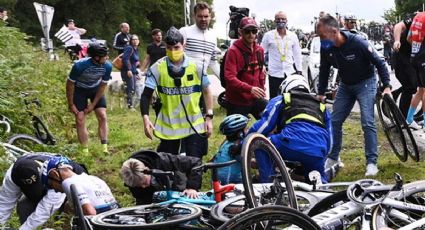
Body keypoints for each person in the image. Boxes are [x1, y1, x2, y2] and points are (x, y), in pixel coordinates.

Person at [316, 15, 391, 177]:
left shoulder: (358, 43)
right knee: (335, 120)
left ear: (334, 31)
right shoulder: (326, 47)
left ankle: (371, 163)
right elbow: (324, 69)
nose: (321, 40)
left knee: (367, 122)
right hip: (346, 85)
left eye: (322, 36)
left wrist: (387, 86)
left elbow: (380, 63)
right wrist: (321, 93)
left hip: (366, 82)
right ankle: (334, 157)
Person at [140, 26, 213, 159]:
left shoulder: (197, 66)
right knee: (167, 167)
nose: (173, 51)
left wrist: (209, 117)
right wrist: (145, 118)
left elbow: (207, 91)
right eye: (169, 48)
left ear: (183, 45)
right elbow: (146, 95)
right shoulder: (157, 68)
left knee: (194, 167)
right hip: (169, 128)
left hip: (194, 125)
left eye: (176, 47)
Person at [248, 75, 332, 183]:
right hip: (317, 150)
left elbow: (263, 126)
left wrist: (244, 142)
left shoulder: (282, 99)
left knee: (260, 144)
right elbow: (330, 141)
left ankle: (267, 184)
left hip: (289, 142)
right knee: (317, 183)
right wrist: (321, 154)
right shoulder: (322, 107)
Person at [0, 153, 87, 229]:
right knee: (24, 205)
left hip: (71, 189)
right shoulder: (12, 176)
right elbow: (4, 204)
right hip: (47, 187)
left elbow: (45, 209)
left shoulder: (53, 174)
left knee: (68, 213)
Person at [66, 43, 112, 154]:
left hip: (95, 89)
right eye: (105, 56)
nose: (107, 58)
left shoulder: (107, 66)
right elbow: (70, 85)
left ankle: (104, 147)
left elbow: (102, 86)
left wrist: (93, 104)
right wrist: (71, 104)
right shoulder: (79, 66)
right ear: (96, 57)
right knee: (80, 118)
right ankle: (85, 151)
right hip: (79, 90)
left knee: (102, 115)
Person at [41, 156, 118, 215]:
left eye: (51, 185)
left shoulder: (68, 182)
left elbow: (90, 213)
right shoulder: (94, 178)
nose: (55, 190)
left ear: (55, 174)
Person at [120, 150, 202, 205]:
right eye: (138, 186)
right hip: (156, 199)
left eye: (144, 183)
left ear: (147, 170)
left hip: (179, 190)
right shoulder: (131, 178)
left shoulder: (163, 160)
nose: (143, 186)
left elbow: (195, 162)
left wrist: (191, 187)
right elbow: (142, 200)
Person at [224, 17, 266, 120]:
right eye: (247, 31)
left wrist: (261, 88)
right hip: (237, 101)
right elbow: (229, 78)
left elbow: (260, 72)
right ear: (240, 32)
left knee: (272, 124)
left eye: (254, 31)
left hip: (255, 98)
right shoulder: (233, 51)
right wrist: (250, 89)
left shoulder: (260, 50)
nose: (251, 34)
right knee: (235, 134)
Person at [261, 11, 303, 98]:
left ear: (286, 20)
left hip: (289, 73)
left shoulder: (293, 36)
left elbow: (297, 55)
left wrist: (299, 70)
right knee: (275, 99)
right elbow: (261, 52)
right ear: (274, 21)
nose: (281, 21)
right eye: (278, 19)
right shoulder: (268, 35)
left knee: (290, 99)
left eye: (283, 19)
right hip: (274, 74)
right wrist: (262, 66)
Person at [179, 2, 220, 78]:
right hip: (185, 80)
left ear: (210, 16)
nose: (203, 19)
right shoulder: (184, 31)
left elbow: (213, 62)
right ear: (194, 16)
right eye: (200, 16)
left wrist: (225, 80)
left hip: (202, 81)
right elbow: (175, 55)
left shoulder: (213, 36)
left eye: (206, 16)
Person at [392, 13, 418, 120]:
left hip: (415, 57)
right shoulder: (417, 18)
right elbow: (398, 26)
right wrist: (397, 40)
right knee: (410, 86)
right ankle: (402, 118)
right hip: (402, 55)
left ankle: (397, 93)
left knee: (417, 85)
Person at [212, 114, 249, 185]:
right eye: (246, 128)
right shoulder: (237, 148)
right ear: (240, 134)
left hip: (217, 181)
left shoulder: (225, 143)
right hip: (231, 183)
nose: (248, 130)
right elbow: (252, 164)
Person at [406, 12, 425, 131]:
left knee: (421, 90)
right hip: (423, 57)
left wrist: (416, 49)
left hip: (414, 57)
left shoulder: (417, 17)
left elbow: (409, 38)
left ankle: (409, 119)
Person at [121, 34, 140, 110]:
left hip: (133, 71)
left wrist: (136, 73)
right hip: (127, 71)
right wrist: (129, 69)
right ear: (131, 41)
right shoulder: (129, 48)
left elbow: (134, 62)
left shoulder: (136, 49)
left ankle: (129, 104)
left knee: (133, 88)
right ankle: (130, 106)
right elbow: (125, 59)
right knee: (130, 88)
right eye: (133, 39)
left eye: (136, 39)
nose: (135, 41)